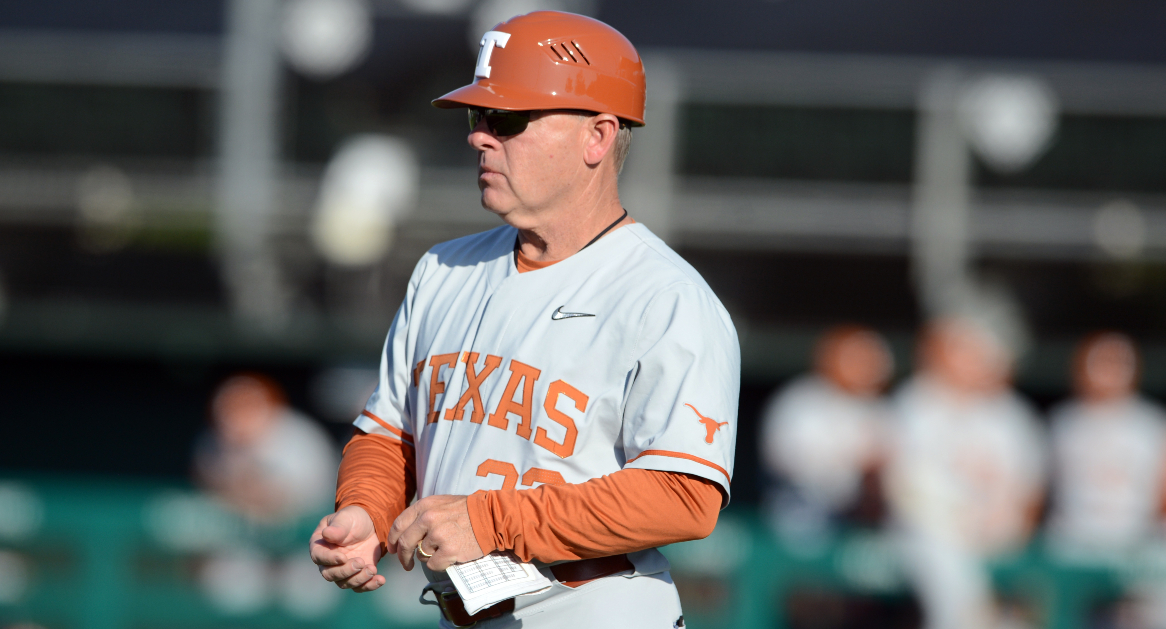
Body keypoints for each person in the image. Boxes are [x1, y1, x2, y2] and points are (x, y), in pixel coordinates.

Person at [308, 11, 739, 629]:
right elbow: (388, 433)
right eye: (477, 117)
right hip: (468, 610)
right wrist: (366, 513)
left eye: (508, 119)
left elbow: (684, 497)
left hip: (598, 608)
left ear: (598, 136)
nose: (480, 137)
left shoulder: (665, 296)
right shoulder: (442, 268)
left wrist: (489, 520)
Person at [885, 316, 1046, 629]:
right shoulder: (913, 404)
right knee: (953, 589)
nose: (971, 362)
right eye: (960, 353)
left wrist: (1009, 525)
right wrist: (959, 521)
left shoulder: (1010, 414)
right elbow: (907, 488)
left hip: (1001, 535)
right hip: (930, 536)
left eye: (976, 354)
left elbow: (1031, 490)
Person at [761, 325, 892, 542]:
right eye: (854, 359)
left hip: (861, 511)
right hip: (804, 502)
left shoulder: (879, 409)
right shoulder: (800, 399)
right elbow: (784, 460)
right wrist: (849, 460)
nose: (864, 367)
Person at [1046, 332, 1166, 556]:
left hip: (1136, 543)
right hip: (1071, 542)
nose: (1108, 372)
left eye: (1117, 363)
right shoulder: (1063, 422)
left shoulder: (1152, 424)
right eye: (1100, 362)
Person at [194, 373, 338, 521]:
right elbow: (208, 484)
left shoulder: (298, 438)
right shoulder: (210, 441)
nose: (236, 420)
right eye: (228, 411)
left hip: (304, 519)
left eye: (247, 408)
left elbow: (307, 495)